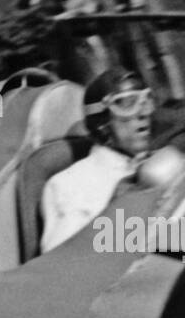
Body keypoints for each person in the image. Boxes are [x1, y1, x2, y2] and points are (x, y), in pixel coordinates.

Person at [40, 70, 154, 253]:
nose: (143, 113)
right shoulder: (69, 184)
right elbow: (56, 265)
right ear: (101, 123)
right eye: (127, 103)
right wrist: (112, 213)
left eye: (147, 100)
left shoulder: (160, 164)